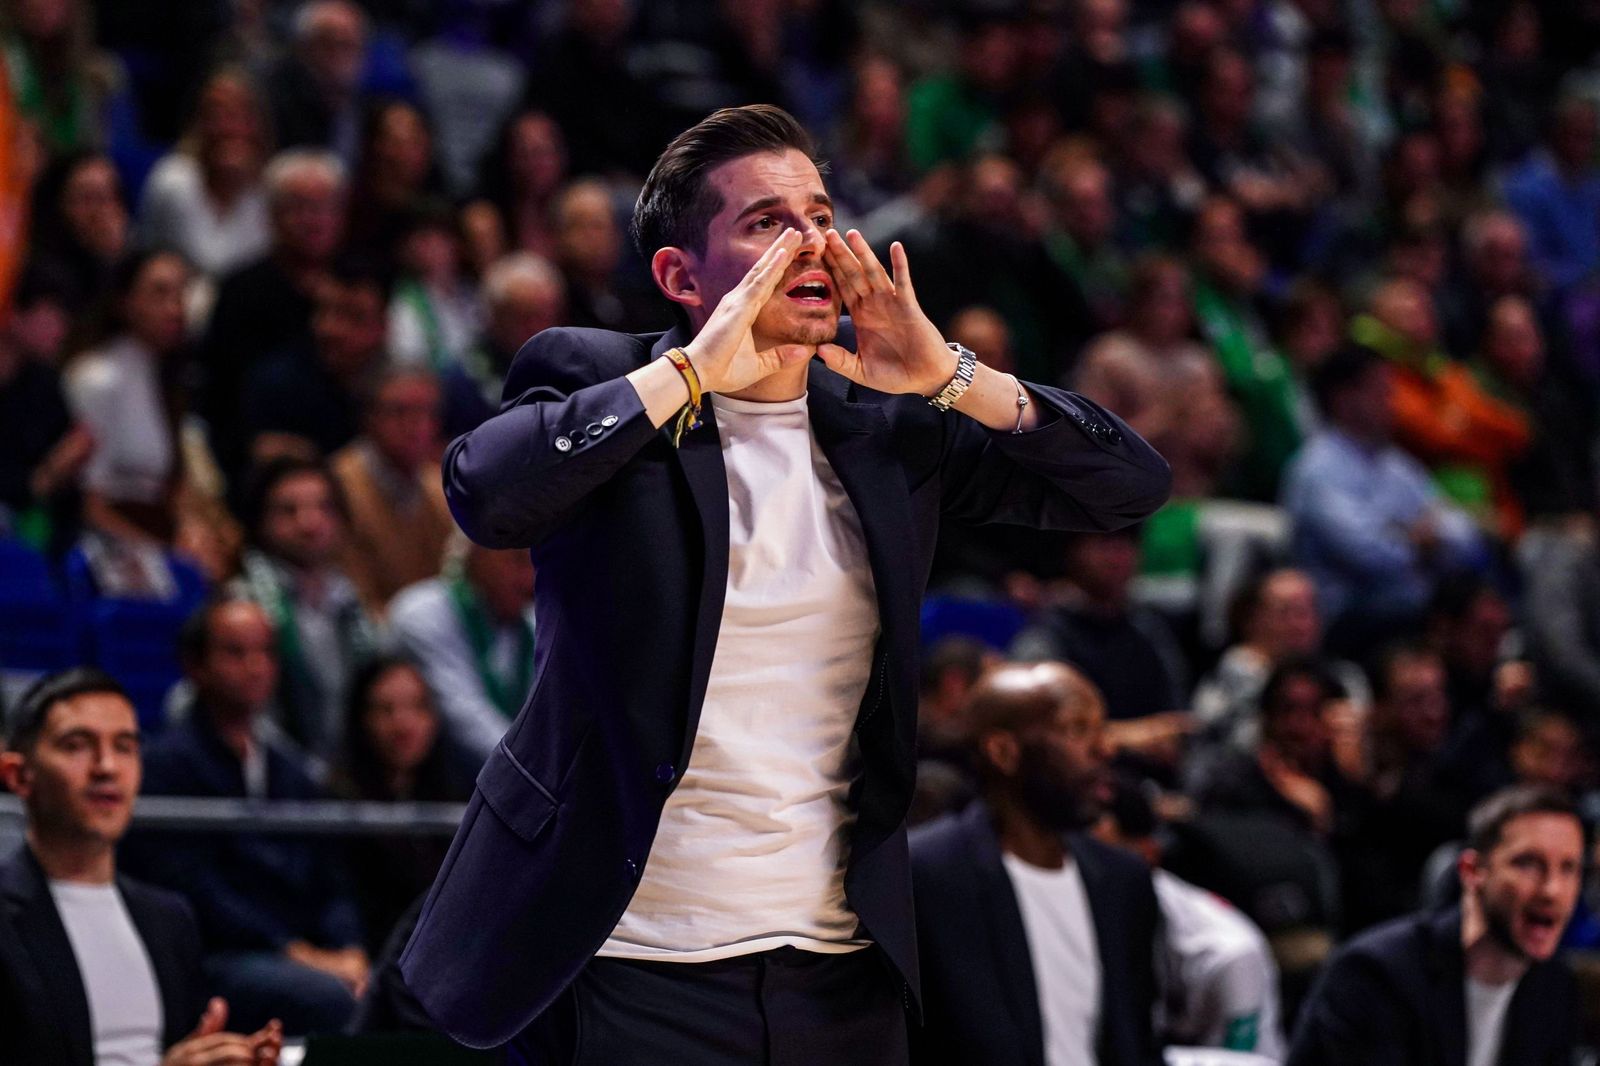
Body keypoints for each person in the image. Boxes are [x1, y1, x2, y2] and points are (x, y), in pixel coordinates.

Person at [400, 104, 1170, 1060]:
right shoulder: (604, 378)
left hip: (838, 965)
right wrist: (688, 373)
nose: (811, 242)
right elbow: (486, 493)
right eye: (766, 222)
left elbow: (1130, 487)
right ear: (682, 276)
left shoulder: (888, 427)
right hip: (631, 956)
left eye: (818, 213)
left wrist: (947, 372)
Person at [0, 668, 283, 1066]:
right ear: (18, 775)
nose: (106, 767)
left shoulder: (169, 919)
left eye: (124, 746)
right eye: (77, 745)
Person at [125, 598, 369, 1036]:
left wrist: (347, 946)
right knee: (329, 998)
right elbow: (194, 893)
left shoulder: (290, 769)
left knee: (402, 988)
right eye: (235, 652)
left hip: (301, 953)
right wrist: (293, 951)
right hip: (219, 957)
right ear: (196, 666)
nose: (255, 666)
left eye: (265, 652)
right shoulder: (165, 766)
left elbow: (331, 877)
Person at [909, 661, 1162, 1066]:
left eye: (1103, 728)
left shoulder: (1123, 878)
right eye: (1079, 729)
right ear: (1003, 752)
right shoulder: (927, 876)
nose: (1106, 747)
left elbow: (1139, 1040)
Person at [1288, 785, 1583, 1066]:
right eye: (1528, 864)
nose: (1552, 890)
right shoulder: (1376, 975)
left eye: (1569, 868)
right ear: (1472, 871)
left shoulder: (1554, 987)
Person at [1282, 344, 1484, 653]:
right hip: (1348, 617)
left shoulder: (1397, 464)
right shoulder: (1316, 468)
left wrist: (1413, 536)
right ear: (1343, 398)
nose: (1392, 401)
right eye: (1379, 391)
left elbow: (1463, 534)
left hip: (1409, 601)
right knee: (1441, 619)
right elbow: (1368, 553)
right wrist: (1421, 541)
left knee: (1481, 599)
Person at [1095, 774, 1285, 1059]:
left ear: (1148, 854)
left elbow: (1241, 1058)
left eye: (1099, 855)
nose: (1084, 867)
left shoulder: (1226, 952)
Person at [200, 149, 347, 481]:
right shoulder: (241, 291)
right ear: (272, 215)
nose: (314, 220)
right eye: (299, 207)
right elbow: (222, 396)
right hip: (261, 458)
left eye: (325, 207)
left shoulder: (357, 282)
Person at [234, 456, 377, 763]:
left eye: (324, 508)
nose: (310, 523)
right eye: (289, 511)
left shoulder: (350, 602)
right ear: (259, 521)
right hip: (277, 780)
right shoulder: (242, 603)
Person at [329, 656, 473, 956]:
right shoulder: (338, 802)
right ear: (361, 718)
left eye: (417, 707)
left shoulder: (459, 796)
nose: (403, 724)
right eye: (386, 710)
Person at [63, 248, 191, 543]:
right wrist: (164, 556)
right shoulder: (97, 377)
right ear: (124, 301)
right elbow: (86, 504)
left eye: (182, 292)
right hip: (104, 541)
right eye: (160, 293)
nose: (175, 309)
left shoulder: (167, 377)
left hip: (153, 529)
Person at [388, 535, 536, 765]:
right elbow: (466, 718)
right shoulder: (423, 614)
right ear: (479, 551)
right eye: (517, 561)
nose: (529, 580)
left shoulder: (532, 624)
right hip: (437, 788)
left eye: (536, 565)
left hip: (515, 779)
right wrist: (535, 770)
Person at [329, 367, 454, 618]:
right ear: (369, 417)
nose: (415, 425)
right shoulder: (336, 486)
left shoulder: (440, 487)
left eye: (426, 412)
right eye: (400, 412)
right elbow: (352, 599)